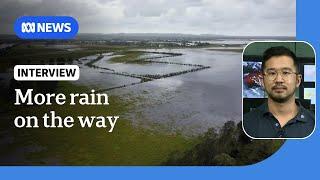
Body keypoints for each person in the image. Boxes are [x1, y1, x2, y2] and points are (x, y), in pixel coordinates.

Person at [243, 46, 315, 138]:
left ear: (297, 80)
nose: (279, 80)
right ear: (262, 80)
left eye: (286, 72)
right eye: (272, 73)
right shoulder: (246, 124)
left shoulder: (314, 123)